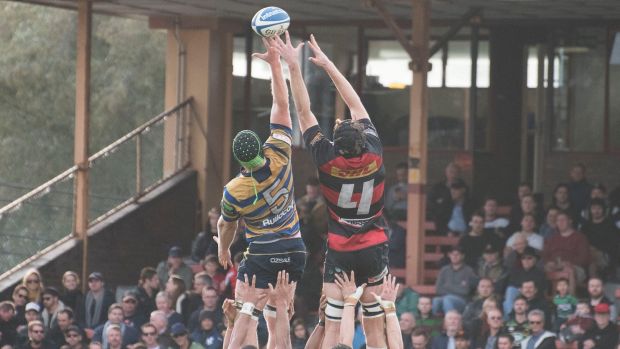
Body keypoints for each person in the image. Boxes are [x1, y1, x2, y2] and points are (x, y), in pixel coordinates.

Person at [277, 32, 388, 349]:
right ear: (362, 139)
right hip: (375, 246)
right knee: (374, 328)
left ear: (337, 144)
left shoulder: (326, 158)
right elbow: (356, 105)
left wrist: (294, 67)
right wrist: (327, 65)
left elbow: (304, 112)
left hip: (341, 249)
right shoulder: (375, 151)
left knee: (332, 325)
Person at [216, 36, 306, 348]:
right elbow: (282, 106)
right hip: (294, 250)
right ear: (259, 145)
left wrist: (223, 250)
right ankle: (275, 310)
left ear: (239, 159)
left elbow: (226, 225)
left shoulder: (235, 191)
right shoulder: (280, 155)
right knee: (275, 313)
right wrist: (275, 66)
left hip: (263, 254)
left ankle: (250, 317)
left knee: (245, 315)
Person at [542, 212, 591, 288]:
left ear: (570, 221)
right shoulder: (552, 239)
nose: (560, 222)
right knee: (541, 270)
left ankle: (571, 298)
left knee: (568, 270)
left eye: (563, 220)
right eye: (558, 220)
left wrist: (569, 263)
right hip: (555, 266)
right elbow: (545, 255)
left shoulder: (580, 237)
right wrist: (549, 263)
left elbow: (584, 258)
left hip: (574, 267)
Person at [580, 198, 620, 277]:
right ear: (590, 210)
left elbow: (615, 245)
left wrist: (597, 250)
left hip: (606, 256)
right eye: (594, 208)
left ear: (603, 210)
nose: (596, 211)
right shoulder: (585, 227)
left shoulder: (610, 226)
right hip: (587, 254)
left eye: (599, 208)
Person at [433, 246, 477, 315]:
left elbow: (465, 291)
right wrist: (458, 288)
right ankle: (432, 323)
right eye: (452, 254)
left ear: (462, 256)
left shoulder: (469, 271)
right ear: (449, 255)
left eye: (457, 254)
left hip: (462, 301)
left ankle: (450, 321)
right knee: (436, 300)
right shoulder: (444, 270)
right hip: (444, 297)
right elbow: (438, 289)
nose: (454, 256)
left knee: (448, 299)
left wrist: (447, 287)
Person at [503, 247, 546, 317]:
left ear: (535, 260)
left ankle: (511, 318)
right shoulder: (516, 272)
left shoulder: (539, 273)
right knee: (506, 300)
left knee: (511, 293)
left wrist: (523, 289)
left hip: (532, 296)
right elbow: (510, 284)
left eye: (529, 258)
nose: (526, 260)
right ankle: (510, 319)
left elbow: (540, 289)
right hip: (517, 297)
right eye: (523, 258)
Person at [296, 176, 328, 258]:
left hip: (319, 235)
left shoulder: (324, 205)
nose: (311, 193)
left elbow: (324, 224)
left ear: (319, 190)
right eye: (310, 191)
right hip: (302, 236)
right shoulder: (300, 203)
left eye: (313, 191)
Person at [428, 162, 467, 227]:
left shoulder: (464, 187)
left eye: (456, 172)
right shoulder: (437, 187)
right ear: (446, 173)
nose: (453, 175)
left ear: (459, 174)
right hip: (441, 219)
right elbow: (430, 202)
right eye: (451, 172)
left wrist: (442, 200)